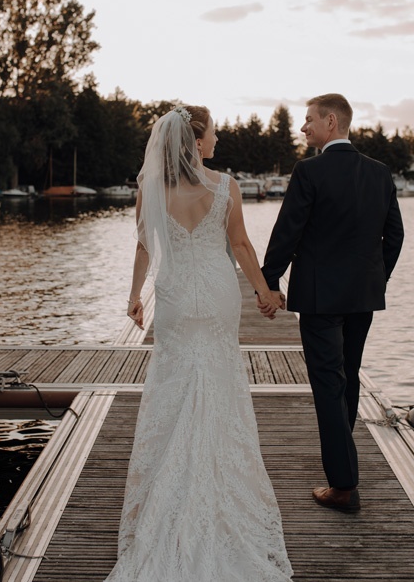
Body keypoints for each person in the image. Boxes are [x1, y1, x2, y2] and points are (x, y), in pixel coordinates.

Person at [108, 105, 293, 581]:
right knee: (217, 379)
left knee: (173, 385)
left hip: (172, 299)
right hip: (215, 292)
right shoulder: (224, 186)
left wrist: (134, 298)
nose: (217, 142)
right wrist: (264, 292)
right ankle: (216, 484)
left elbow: (144, 247)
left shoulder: (150, 191)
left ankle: (170, 493)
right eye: (212, 135)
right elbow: (242, 247)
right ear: (195, 142)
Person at [259, 93, 404, 514]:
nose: (303, 128)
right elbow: (394, 237)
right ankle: (344, 461)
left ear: (331, 122)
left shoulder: (310, 171)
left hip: (321, 299)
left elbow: (288, 231)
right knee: (349, 376)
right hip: (363, 297)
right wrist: (375, 279)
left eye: (308, 120)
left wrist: (268, 282)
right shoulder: (379, 173)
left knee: (328, 384)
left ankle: (343, 485)